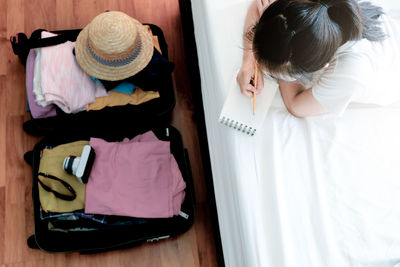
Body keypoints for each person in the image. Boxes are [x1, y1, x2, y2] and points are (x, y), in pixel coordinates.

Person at [237, 0, 400, 117]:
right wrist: (249, 61)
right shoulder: (304, 8)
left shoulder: (350, 74)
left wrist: (279, 65)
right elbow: (259, 5)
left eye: (277, 75)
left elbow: (296, 105)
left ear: (321, 66)